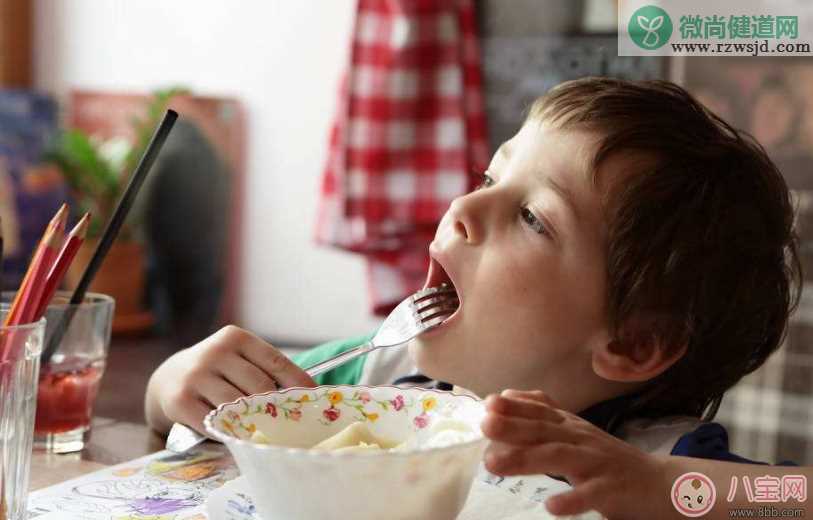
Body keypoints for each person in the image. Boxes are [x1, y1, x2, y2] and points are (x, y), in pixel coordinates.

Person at [145, 78, 801, 479]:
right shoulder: (377, 381)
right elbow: (214, 406)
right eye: (490, 177)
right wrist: (173, 382)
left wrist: (659, 491)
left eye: (532, 218)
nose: (461, 209)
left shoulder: (652, 456)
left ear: (632, 344)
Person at [482, 388, 811, 519]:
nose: (460, 232)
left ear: (631, 346)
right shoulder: (436, 398)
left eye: (538, 232)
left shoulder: (673, 458)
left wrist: (663, 483)